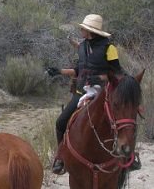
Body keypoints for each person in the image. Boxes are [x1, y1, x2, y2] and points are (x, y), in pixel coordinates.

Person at [46, 14, 127, 174]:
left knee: (121, 123)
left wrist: (101, 77)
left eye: (83, 28)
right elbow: (78, 70)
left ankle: (127, 157)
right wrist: (59, 71)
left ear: (90, 30)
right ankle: (61, 157)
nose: (81, 29)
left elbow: (117, 72)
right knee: (61, 122)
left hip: (102, 94)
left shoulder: (109, 48)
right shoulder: (83, 46)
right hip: (80, 92)